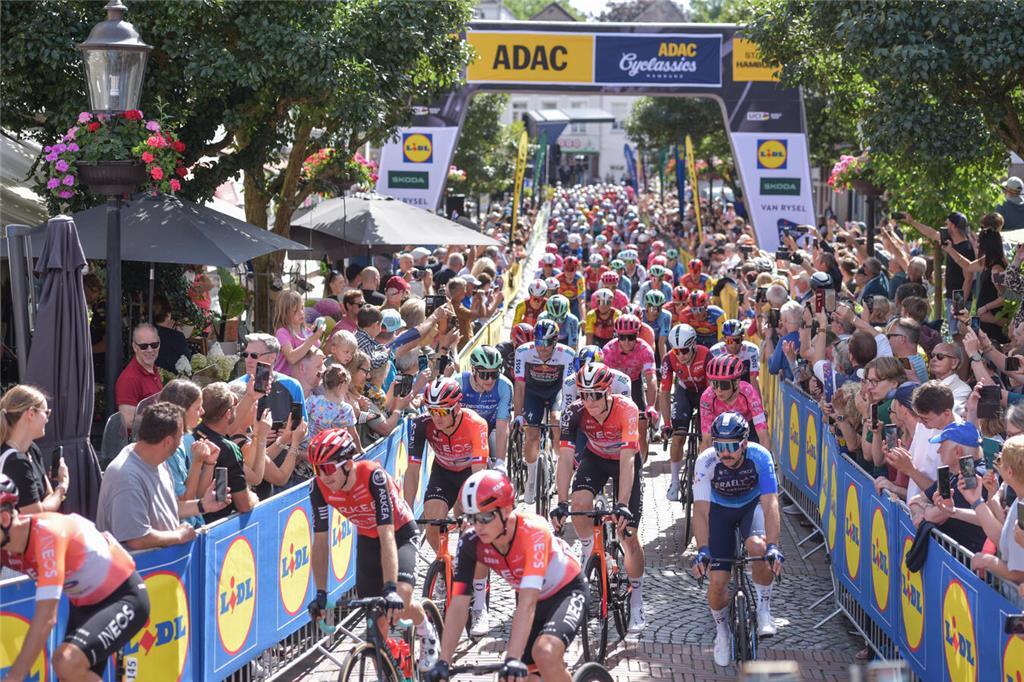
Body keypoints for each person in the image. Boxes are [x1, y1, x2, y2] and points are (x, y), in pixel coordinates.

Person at [426, 470, 585, 682]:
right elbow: (459, 603)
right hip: (534, 600)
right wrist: (444, 662)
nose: (478, 526)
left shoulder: (534, 531)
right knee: (515, 678)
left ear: (507, 509)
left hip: (567, 591)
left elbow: (526, 603)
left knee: (545, 653)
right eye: (472, 518)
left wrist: (512, 658)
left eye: (485, 517)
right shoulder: (471, 542)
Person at [305, 429, 438, 671]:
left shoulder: (373, 476)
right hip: (367, 539)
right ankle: (385, 670)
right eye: (316, 469)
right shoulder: (319, 488)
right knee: (375, 623)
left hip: (399, 533)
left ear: (347, 464)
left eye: (327, 468)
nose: (322, 476)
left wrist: (390, 589)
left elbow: (387, 534)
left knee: (400, 601)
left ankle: (425, 628)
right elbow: (321, 541)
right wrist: (321, 593)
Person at [0, 475, 149, 681]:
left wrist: (14, 677)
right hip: (84, 605)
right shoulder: (5, 545)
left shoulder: (47, 535)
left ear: (4, 518)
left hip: (124, 597)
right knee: (68, 670)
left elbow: (46, 617)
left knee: (66, 661)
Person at [552, 362, 647, 633]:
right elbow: (565, 458)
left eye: (595, 395)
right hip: (595, 458)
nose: (589, 401)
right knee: (579, 503)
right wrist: (561, 502)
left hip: (624, 462)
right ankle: (588, 551)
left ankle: (637, 603)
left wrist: (622, 504)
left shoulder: (627, 409)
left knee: (628, 536)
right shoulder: (574, 412)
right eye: (584, 395)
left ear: (607, 392)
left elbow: (628, 460)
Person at [690, 413, 784, 668]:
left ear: (744, 443)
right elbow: (700, 511)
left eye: (731, 446)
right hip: (719, 511)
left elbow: (770, 504)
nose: (725, 453)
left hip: (750, 507)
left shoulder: (760, 456)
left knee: (758, 547)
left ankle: (764, 608)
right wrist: (703, 549)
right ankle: (722, 631)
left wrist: (773, 546)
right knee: (718, 580)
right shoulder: (706, 461)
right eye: (719, 446)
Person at [96, 402, 230, 548]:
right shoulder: (126, 477)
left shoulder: (157, 460)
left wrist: (203, 505)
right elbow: (137, 539)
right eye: (181, 437)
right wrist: (178, 536)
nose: (182, 442)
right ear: (168, 441)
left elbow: (170, 508)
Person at [404, 378, 488, 551]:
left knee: (469, 520)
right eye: (432, 410)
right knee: (433, 521)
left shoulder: (475, 424)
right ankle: (443, 562)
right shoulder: (421, 424)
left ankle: (469, 559)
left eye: (442, 412)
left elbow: (478, 473)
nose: (436, 417)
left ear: (456, 408)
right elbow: (412, 470)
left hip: (471, 473)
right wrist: (407, 511)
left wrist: (472, 510)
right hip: (443, 473)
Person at [513, 320, 576, 506]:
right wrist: (518, 415)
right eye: (539, 342)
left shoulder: (567, 354)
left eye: (547, 343)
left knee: (557, 421)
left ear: (555, 342)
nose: (542, 347)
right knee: (532, 434)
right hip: (533, 393)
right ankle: (532, 478)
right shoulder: (523, 352)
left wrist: (566, 416)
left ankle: (557, 465)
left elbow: (569, 387)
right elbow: (519, 386)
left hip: (556, 391)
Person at [908, 421, 988, 553]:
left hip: (964, 560)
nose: (938, 451)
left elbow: (933, 516)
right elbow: (914, 501)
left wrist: (925, 511)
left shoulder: (972, 476)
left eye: (942, 446)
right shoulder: (951, 472)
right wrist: (923, 513)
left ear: (957, 452)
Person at [194, 382, 258, 523]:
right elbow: (244, 505)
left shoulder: (193, 433)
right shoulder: (229, 450)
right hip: (217, 524)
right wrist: (254, 498)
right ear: (228, 414)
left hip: (194, 518)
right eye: (234, 406)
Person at [660, 324, 710, 501]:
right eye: (676, 351)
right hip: (684, 393)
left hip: (705, 393)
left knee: (707, 439)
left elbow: (712, 392)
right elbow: (664, 392)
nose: (680, 355)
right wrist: (666, 424)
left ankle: (704, 479)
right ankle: (674, 482)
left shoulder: (706, 355)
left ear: (693, 345)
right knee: (678, 437)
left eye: (684, 350)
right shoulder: (669, 359)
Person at [159, 379, 218, 528]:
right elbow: (185, 499)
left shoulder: (188, 438)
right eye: (197, 408)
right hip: (179, 529)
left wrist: (209, 463)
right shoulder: (168, 448)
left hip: (195, 524)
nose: (202, 412)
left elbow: (199, 494)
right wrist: (197, 462)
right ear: (182, 411)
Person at [0, 385, 68, 514]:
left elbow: (48, 496)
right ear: (31, 413)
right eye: (46, 412)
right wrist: (62, 485)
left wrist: (55, 494)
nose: (47, 419)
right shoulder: (15, 462)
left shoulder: (32, 449)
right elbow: (36, 513)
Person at [602, 314, 659, 460]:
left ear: (637, 334)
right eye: (622, 337)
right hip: (613, 385)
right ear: (617, 336)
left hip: (634, 383)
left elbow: (651, 378)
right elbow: (602, 380)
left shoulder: (645, 349)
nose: (627, 342)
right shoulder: (608, 350)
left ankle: (640, 465)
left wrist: (651, 405)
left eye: (631, 337)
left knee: (642, 426)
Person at [459, 346, 513, 474]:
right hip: (464, 431)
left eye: (494, 374)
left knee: (495, 466)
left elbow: (502, 426)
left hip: (491, 427)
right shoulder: (459, 383)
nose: (490, 380)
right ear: (473, 370)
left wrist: (500, 462)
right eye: (484, 375)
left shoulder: (504, 386)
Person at [699, 354, 768, 449]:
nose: (719, 390)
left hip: (747, 426)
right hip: (720, 428)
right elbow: (706, 440)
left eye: (724, 385)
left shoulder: (749, 392)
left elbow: (763, 436)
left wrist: (764, 456)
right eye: (714, 384)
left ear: (736, 383)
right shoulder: (707, 396)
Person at [115, 323, 164, 429]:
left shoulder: (153, 369)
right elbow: (127, 419)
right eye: (143, 346)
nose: (150, 350)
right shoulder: (129, 378)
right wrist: (164, 420)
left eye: (154, 345)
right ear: (135, 347)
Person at [272, 290, 325, 377]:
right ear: (285, 313)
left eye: (302, 308)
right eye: (295, 311)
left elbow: (316, 353)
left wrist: (315, 333)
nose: (301, 313)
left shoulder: (306, 331)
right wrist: (312, 339)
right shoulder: (282, 333)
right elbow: (291, 358)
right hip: (283, 379)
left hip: (302, 379)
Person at [152, 295, 192, 373]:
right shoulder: (177, 337)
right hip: (172, 378)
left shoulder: (145, 334)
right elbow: (188, 362)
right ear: (168, 314)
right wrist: (175, 334)